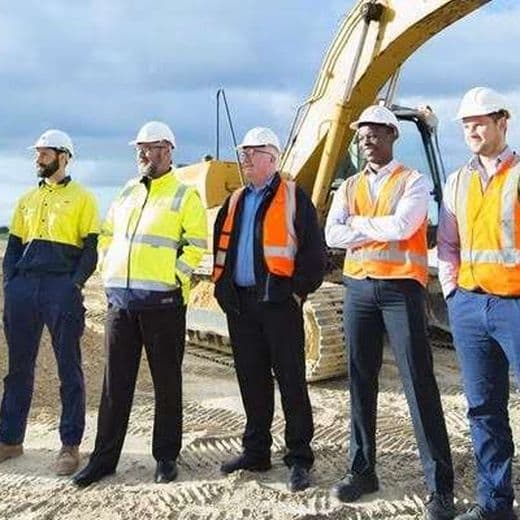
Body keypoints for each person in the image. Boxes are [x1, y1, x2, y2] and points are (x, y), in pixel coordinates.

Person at [325, 106, 455, 520]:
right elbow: (331, 233)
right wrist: (371, 226)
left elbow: (403, 227)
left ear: (392, 136)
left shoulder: (412, 182)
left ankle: (440, 488)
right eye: (362, 135)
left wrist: (358, 228)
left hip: (401, 289)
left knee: (419, 383)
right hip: (358, 289)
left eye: (374, 134)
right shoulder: (347, 186)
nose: (366, 140)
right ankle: (362, 471)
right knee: (360, 381)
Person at [73, 121, 207, 487]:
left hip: (163, 304)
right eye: (140, 149)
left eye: (151, 148)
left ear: (168, 150)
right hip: (122, 304)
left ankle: (166, 457)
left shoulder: (185, 195)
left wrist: (173, 277)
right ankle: (103, 460)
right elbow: (107, 235)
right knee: (115, 385)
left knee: (167, 382)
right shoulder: (127, 192)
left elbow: (196, 245)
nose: (144, 154)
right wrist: (108, 270)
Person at [213, 127, 325, 492]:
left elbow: (314, 254)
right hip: (241, 305)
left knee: (291, 381)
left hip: (279, 305)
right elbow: (221, 248)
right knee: (252, 380)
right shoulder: (234, 201)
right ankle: (256, 450)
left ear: (273, 158)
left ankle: (298, 457)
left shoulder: (294, 196)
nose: (244, 158)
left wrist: (295, 293)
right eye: (242, 152)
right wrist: (221, 287)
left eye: (252, 152)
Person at [438, 87, 519, 520]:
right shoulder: (458, 180)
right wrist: (453, 293)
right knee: (484, 410)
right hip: (470, 308)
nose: (471, 129)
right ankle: (494, 507)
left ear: (502, 122)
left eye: (479, 121)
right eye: (465, 123)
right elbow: (447, 244)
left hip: (515, 308)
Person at [0, 129, 100, 476]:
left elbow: (90, 250)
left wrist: (74, 285)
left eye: (44, 153)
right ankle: (10, 439)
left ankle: (70, 445)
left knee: (68, 368)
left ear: (64, 156)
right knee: (18, 370)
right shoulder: (27, 199)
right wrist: (10, 283)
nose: (38, 159)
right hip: (24, 288)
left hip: (61, 287)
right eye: (37, 153)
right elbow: (13, 247)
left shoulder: (83, 198)